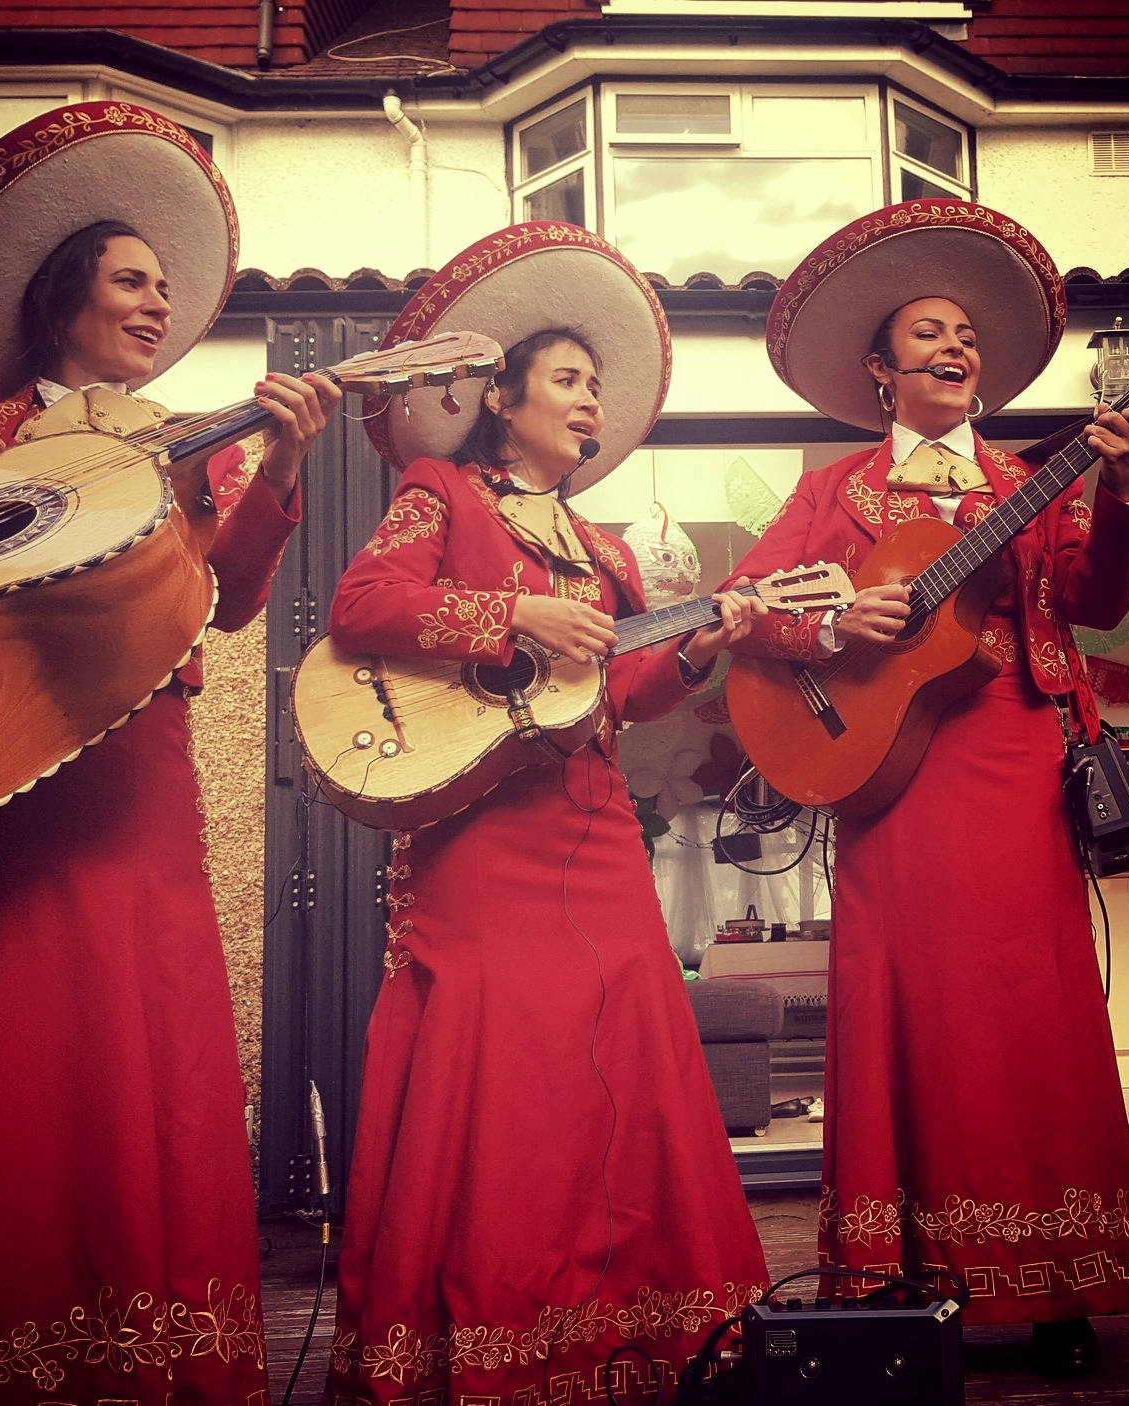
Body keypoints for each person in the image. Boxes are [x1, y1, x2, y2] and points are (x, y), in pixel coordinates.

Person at [0, 103, 339, 1404]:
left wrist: (286, 460)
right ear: (62, 292)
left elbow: (232, 601)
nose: (157, 305)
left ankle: (135, 1359)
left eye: (163, 288)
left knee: (134, 1055)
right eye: (131, 279)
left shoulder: (183, 454)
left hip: (135, 788)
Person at [320, 223, 771, 1406]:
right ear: (501, 398)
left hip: (593, 827)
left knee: (625, 1048)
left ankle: (629, 1331)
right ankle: (494, 1339)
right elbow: (363, 605)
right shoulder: (442, 492)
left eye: (595, 386)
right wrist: (512, 617)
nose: (588, 401)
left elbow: (619, 686)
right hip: (478, 834)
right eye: (566, 379)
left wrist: (700, 650)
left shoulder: (609, 552)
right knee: (504, 1064)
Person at [725, 201, 1129, 1378]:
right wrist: (831, 621)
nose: (951, 347)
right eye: (926, 333)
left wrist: (1118, 489)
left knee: (1032, 1014)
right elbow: (745, 609)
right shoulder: (836, 493)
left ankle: (1055, 1284)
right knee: (905, 1013)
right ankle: (906, 1284)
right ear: (880, 368)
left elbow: (1095, 596)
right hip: (889, 780)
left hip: (1014, 760)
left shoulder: (1029, 478)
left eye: (962, 334)